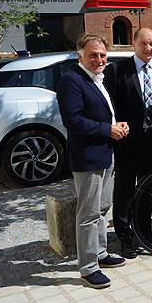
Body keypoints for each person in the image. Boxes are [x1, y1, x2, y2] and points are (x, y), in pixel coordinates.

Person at [57, 33, 129, 289]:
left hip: (105, 153)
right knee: (87, 214)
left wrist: (115, 125)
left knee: (102, 207)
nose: (99, 59)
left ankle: (99, 253)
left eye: (102, 55)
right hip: (88, 158)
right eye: (93, 55)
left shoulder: (98, 78)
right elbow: (73, 120)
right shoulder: (71, 81)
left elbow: (100, 113)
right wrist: (108, 129)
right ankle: (88, 268)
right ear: (80, 56)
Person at [104, 28, 152, 259]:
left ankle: (144, 230)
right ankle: (125, 238)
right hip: (127, 140)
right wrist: (114, 127)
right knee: (124, 190)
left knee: (147, 188)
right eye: (144, 44)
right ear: (134, 43)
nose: (148, 48)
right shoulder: (117, 70)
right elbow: (109, 105)